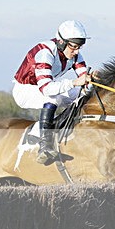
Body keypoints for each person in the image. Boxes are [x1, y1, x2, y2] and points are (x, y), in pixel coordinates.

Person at [12, 20, 91, 164]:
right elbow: (46, 88)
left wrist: (91, 80)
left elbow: (84, 79)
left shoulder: (75, 54)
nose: (76, 52)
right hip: (25, 90)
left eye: (79, 47)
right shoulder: (44, 52)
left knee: (82, 95)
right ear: (61, 42)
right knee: (53, 98)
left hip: (44, 88)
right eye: (73, 47)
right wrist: (74, 82)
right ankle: (44, 145)